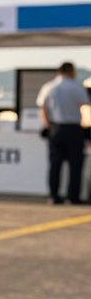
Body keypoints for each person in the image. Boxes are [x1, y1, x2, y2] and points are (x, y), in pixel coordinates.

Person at [36, 61, 89, 204]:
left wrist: (47, 126)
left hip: (56, 128)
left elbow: (42, 108)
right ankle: (74, 197)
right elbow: (86, 108)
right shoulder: (77, 87)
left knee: (55, 165)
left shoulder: (49, 87)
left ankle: (53, 196)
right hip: (74, 129)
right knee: (76, 165)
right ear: (71, 71)